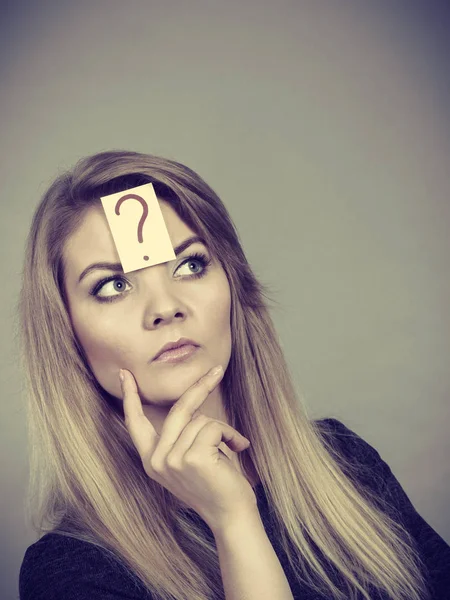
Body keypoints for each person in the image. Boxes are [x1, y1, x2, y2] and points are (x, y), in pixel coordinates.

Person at [18, 150, 450, 600]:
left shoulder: (344, 463)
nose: (166, 308)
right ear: (66, 333)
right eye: (114, 285)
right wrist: (233, 520)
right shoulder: (72, 571)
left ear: (233, 286)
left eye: (190, 264)